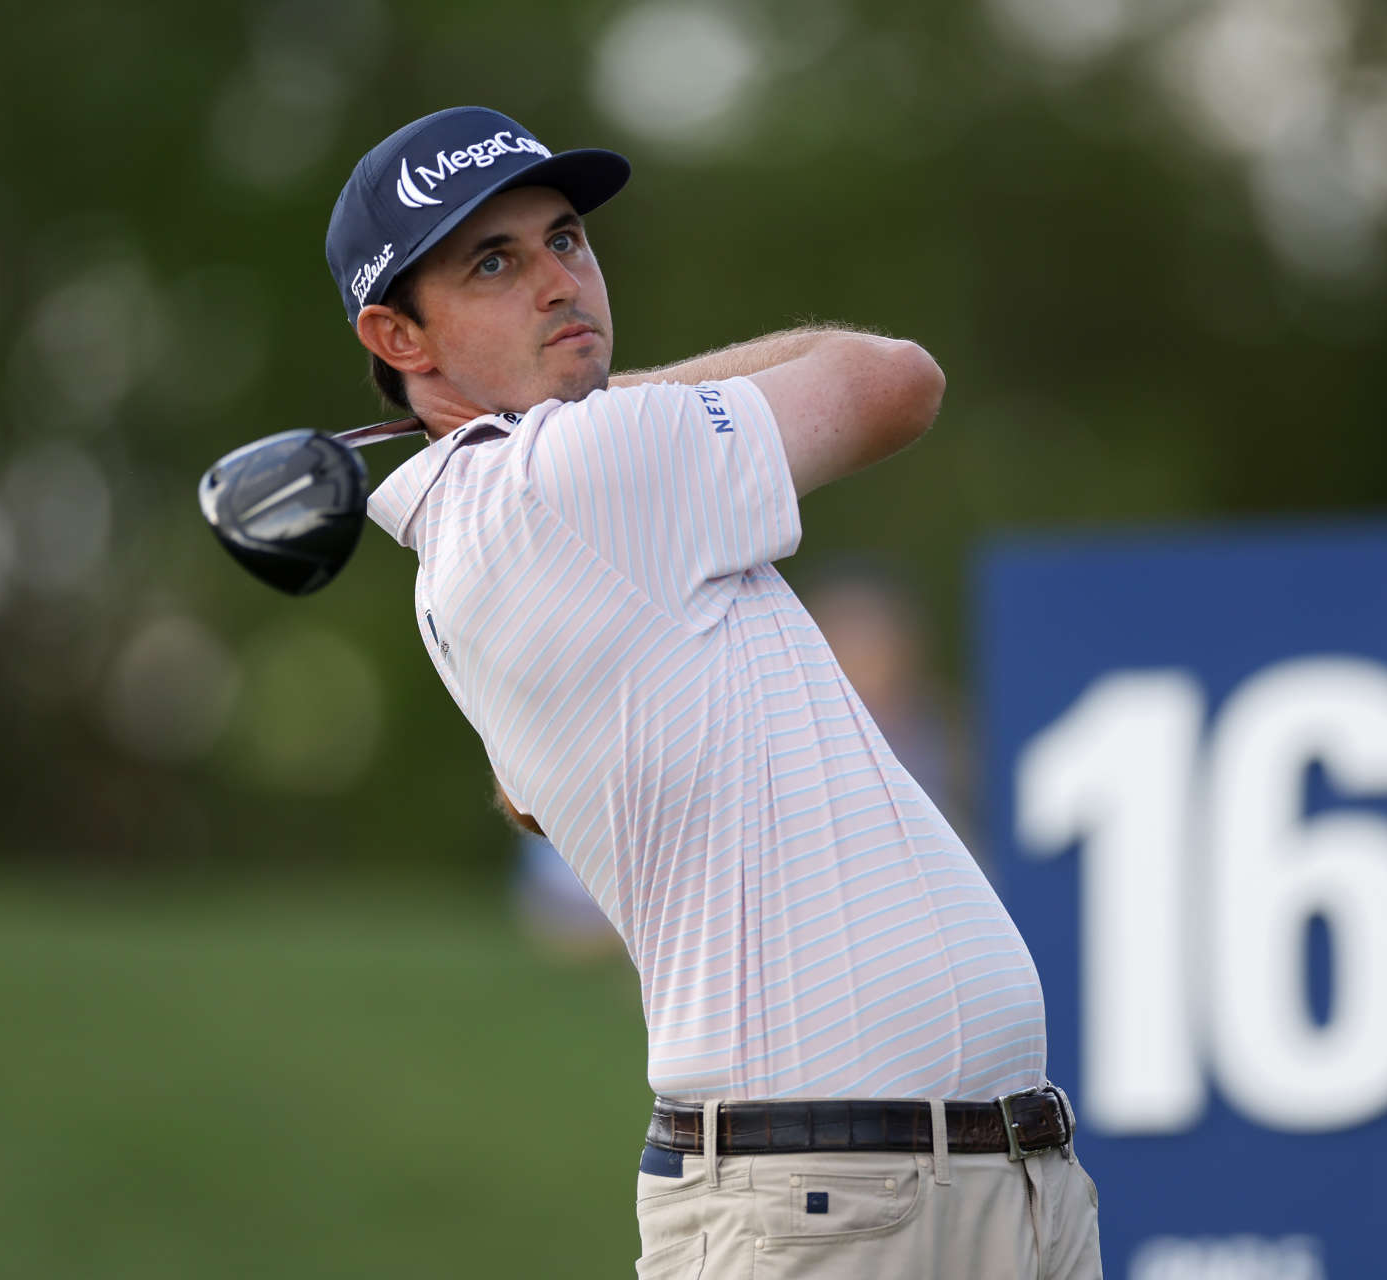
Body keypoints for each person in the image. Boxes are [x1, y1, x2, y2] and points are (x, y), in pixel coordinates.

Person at [325, 106, 1102, 1279]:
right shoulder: (570, 474)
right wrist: (597, 405)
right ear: (401, 335)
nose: (557, 281)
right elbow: (892, 379)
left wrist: (583, 401)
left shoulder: (525, 502)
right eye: (494, 262)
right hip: (838, 1197)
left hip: (927, 1184)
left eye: (566, 239)